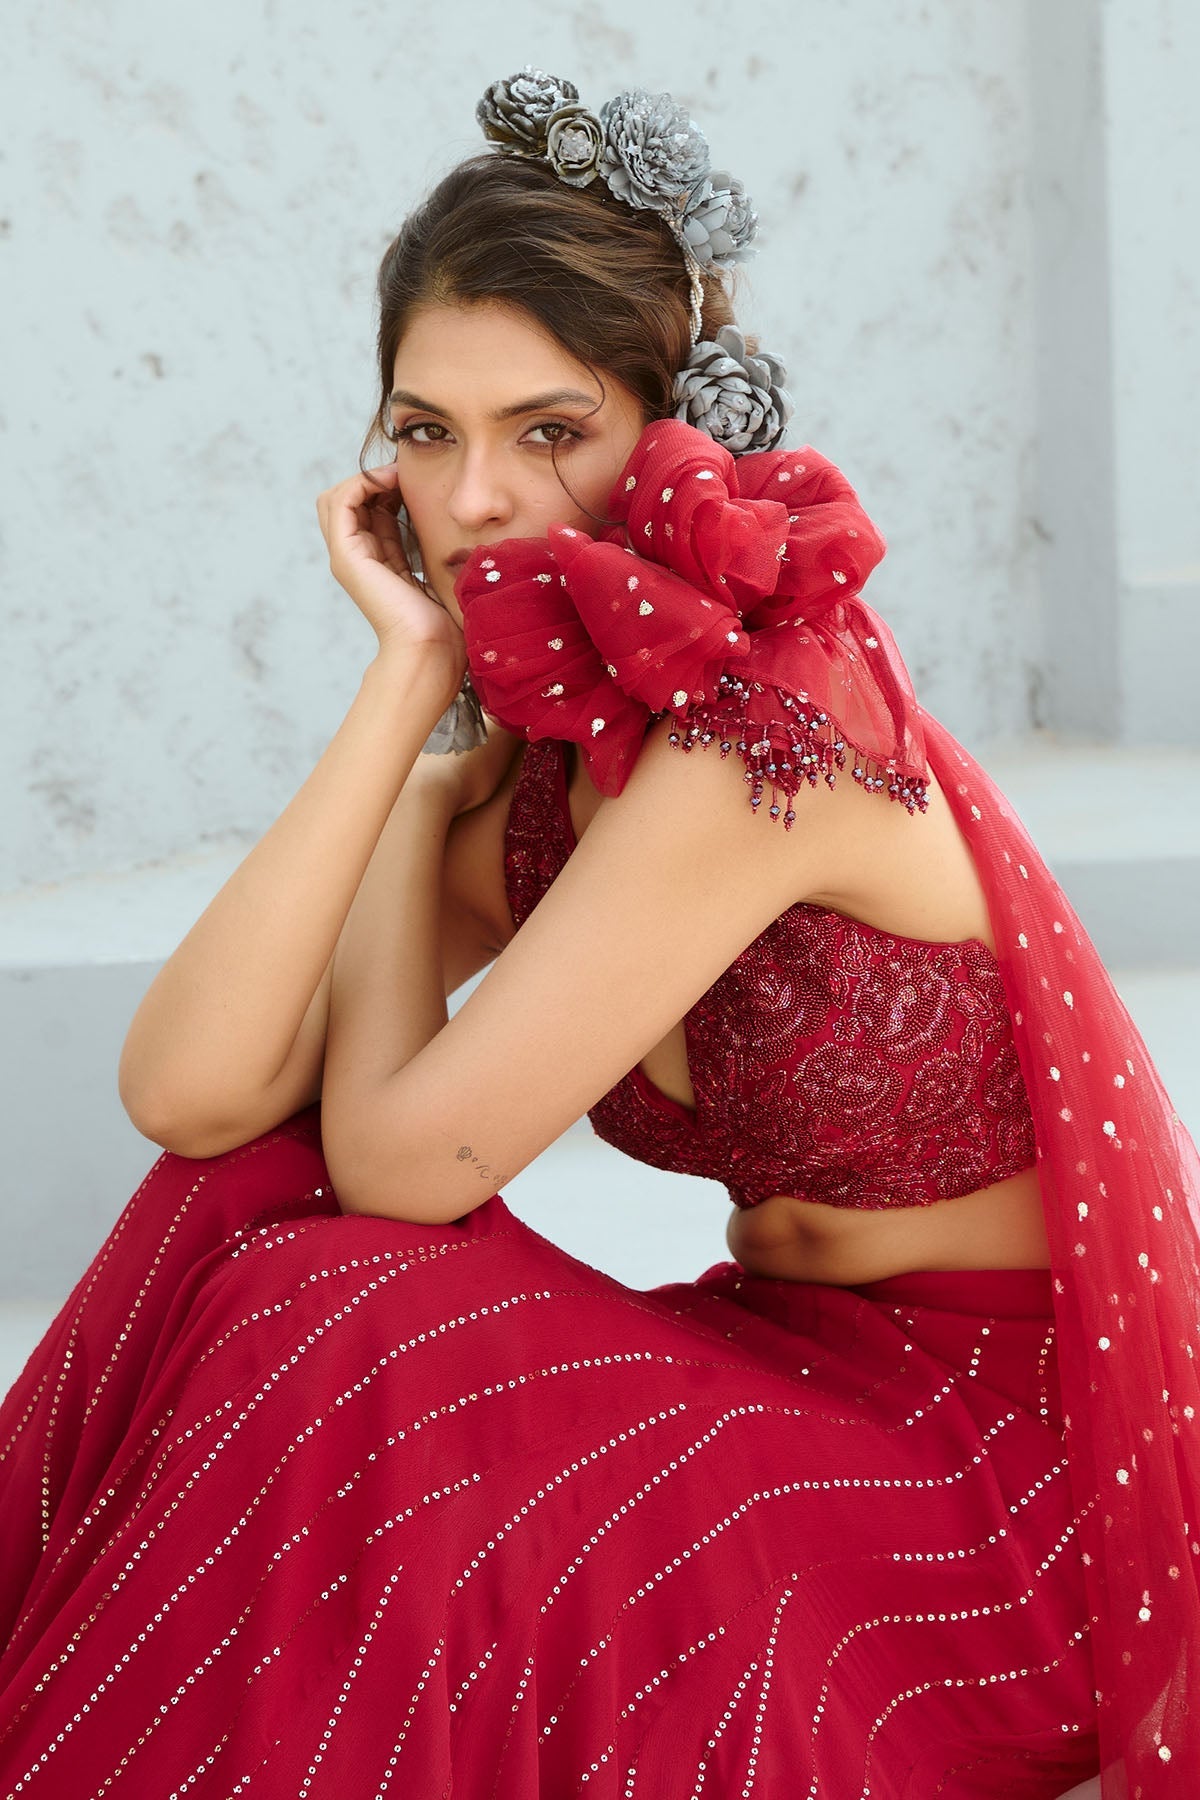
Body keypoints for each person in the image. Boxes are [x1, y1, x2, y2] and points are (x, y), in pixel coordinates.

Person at [0, 69, 1193, 1799]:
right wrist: (405, 717)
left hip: (991, 1485)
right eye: (426, 432)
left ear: (671, 425)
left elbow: (404, 1169)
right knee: (243, 1199)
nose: (476, 497)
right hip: (792, 1370)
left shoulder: (757, 739)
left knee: (350, 1306)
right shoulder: (549, 761)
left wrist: (432, 764)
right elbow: (191, 1091)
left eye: (548, 430)